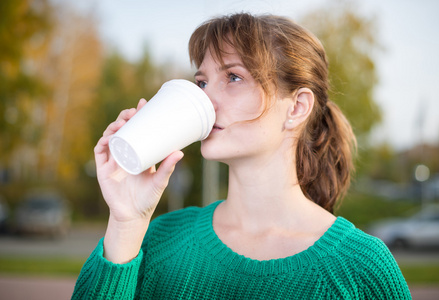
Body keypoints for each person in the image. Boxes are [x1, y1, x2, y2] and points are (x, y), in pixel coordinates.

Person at [72, 13, 411, 299]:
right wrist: (126, 222)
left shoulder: (361, 268)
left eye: (233, 77)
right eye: (202, 82)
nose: (206, 99)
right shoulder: (158, 240)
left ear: (296, 107)